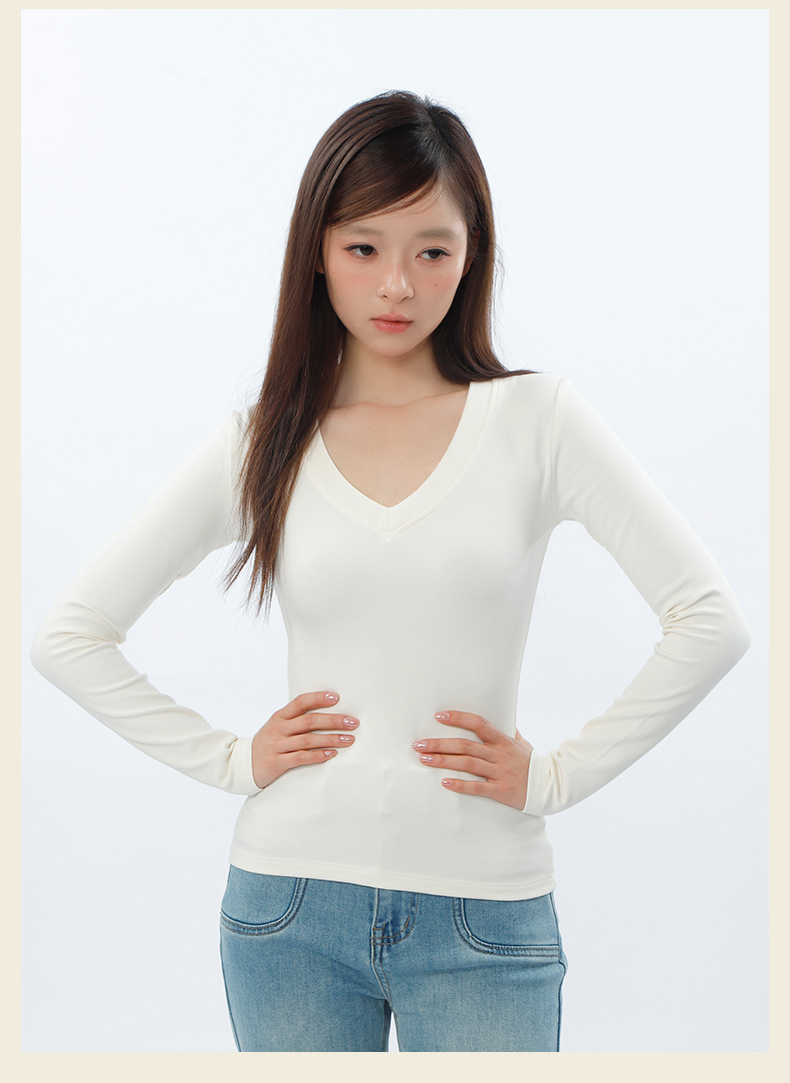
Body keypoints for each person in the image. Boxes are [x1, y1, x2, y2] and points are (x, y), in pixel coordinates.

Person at [29, 90, 751, 1053]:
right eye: (364, 247)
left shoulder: (538, 422)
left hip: (485, 916)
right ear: (318, 252)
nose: (398, 286)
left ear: (473, 253)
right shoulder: (264, 441)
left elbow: (710, 619)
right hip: (288, 910)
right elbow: (70, 635)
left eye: (432, 251)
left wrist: (558, 776)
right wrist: (231, 760)